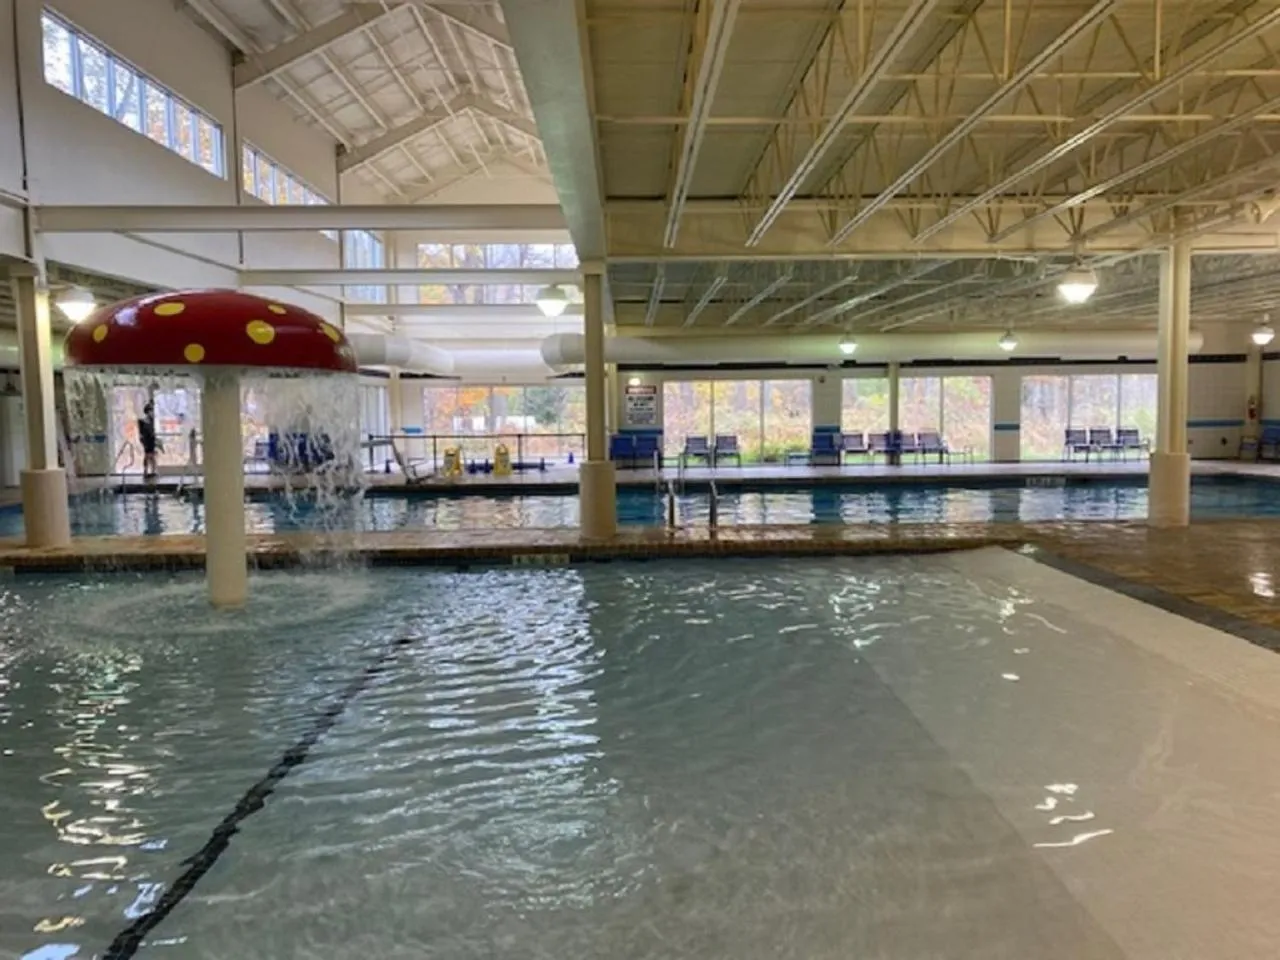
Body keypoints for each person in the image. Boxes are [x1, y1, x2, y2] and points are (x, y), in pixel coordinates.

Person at [138, 403, 158, 480]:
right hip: (146, 441)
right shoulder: (142, 421)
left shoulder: (152, 420)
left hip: (151, 440)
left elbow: (152, 431)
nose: (152, 412)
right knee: (147, 455)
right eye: (150, 411)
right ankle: (145, 471)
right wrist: (143, 442)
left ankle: (153, 471)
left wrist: (155, 440)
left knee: (152, 456)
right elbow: (141, 433)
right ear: (147, 411)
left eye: (152, 411)